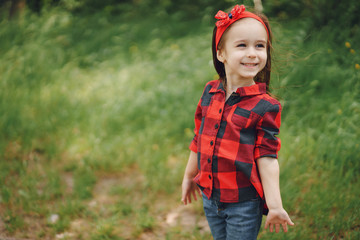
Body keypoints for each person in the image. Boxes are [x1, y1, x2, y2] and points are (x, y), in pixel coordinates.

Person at [181, 4, 294, 240]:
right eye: (242, 45)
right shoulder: (210, 92)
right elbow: (199, 138)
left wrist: (274, 205)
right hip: (210, 198)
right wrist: (189, 176)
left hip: (243, 204)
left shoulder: (265, 106)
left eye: (259, 46)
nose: (252, 53)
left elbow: (267, 158)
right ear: (221, 53)